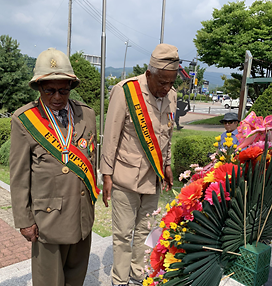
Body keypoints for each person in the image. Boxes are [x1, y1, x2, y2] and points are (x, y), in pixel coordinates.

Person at [9, 48, 100, 286]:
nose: (57, 97)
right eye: (50, 90)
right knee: (49, 281)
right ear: (39, 88)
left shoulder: (86, 115)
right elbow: (19, 176)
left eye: (63, 90)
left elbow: (91, 159)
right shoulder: (24, 120)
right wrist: (24, 220)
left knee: (76, 278)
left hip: (81, 215)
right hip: (47, 220)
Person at [100, 43, 179, 286]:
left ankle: (138, 274)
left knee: (145, 231)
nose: (166, 88)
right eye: (162, 82)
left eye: (171, 82)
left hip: (152, 178)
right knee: (123, 234)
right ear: (149, 74)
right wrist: (106, 175)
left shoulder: (172, 96)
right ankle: (120, 279)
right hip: (125, 175)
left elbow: (166, 135)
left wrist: (166, 165)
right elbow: (111, 136)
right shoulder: (126, 92)